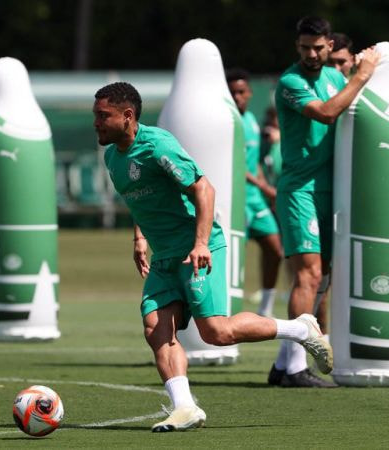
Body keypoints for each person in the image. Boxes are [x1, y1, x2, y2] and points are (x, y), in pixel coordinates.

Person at [93, 81, 332, 431]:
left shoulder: (158, 146)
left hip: (197, 249)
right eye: (95, 115)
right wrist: (139, 238)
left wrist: (201, 243)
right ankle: (185, 408)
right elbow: (137, 201)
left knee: (217, 333)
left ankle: (299, 327)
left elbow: (204, 188)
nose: (96, 122)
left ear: (127, 116)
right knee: (155, 329)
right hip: (163, 258)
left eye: (103, 116)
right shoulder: (113, 156)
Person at [270, 17, 379, 387]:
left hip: (332, 191)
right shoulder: (291, 82)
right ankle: (296, 366)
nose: (311, 54)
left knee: (324, 279)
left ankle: (284, 363)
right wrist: (362, 76)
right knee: (309, 274)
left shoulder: (335, 79)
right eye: (304, 48)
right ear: (296, 46)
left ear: (330, 45)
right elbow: (328, 113)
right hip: (300, 190)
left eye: (318, 48)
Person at [225, 68, 283, 318]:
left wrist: (263, 186)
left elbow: (252, 163)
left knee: (275, 250)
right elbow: (234, 164)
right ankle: (223, 311)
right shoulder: (226, 121)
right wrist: (264, 186)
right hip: (235, 200)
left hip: (255, 199)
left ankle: (265, 308)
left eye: (241, 92)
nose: (237, 97)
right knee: (231, 259)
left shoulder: (251, 121)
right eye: (232, 92)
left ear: (249, 93)